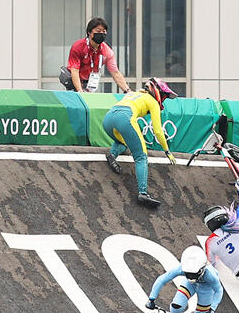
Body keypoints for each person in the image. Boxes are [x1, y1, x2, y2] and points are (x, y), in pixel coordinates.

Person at [103, 77, 177, 208]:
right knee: (141, 155)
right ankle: (143, 193)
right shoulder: (152, 101)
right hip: (125, 117)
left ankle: (112, 155)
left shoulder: (134, 93)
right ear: (157, 91)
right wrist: (167, 151)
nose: (163, 99)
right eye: (164, 96)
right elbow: (158, 131)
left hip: (108, 118)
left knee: (124, 141)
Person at [66, 17, 131, 93]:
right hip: (74, 82)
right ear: (89, 32)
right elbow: (74, 71)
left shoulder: (107, 51)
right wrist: (79, 90)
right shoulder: (78, 47)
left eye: (104, 31)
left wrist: (128, 91)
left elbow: (115, 73)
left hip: (90, 84)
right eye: (98, 31)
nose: (101, 34)